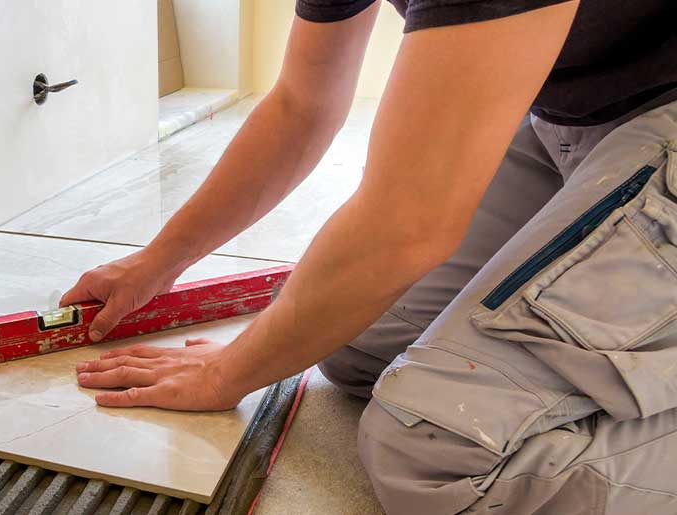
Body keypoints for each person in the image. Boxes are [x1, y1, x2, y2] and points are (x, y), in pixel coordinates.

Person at [60, 0, 677, 513]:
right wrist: (157, 263)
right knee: (353, 342)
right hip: (581, 125)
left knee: (440, 458)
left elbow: (411, 224)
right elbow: (301, 104)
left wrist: (228, 374)